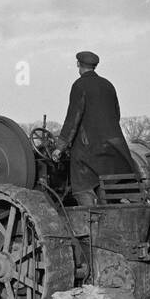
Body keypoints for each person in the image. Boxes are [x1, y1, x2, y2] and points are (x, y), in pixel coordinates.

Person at [58, 51, 134, 205]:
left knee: (81, 185)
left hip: (89, 151)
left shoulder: (79, 85)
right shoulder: (108, 85)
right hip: (115, 148)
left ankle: (88, 214)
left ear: (78, 64)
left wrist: (60, 147)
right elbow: (116, 114)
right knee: (109, 191)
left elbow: (73, 119)